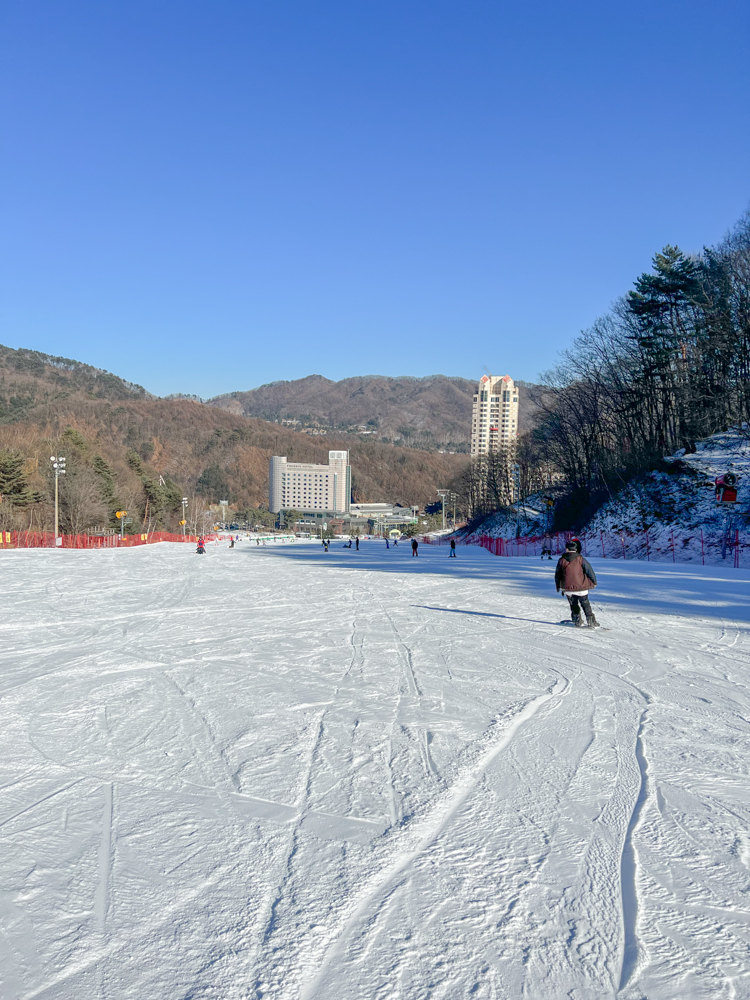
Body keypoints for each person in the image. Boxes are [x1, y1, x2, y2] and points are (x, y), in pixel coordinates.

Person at [555, 538, 600, 627]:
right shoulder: (581, 559)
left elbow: (557, 574)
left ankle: (577, 620)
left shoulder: (561, 560)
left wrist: (558, 586)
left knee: (573, 604)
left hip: (568, 588)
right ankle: (591, 621)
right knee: (585, 603)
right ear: (576, 549)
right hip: (581, 587)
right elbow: (589, 570)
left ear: (567, 549)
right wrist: (594, 582)